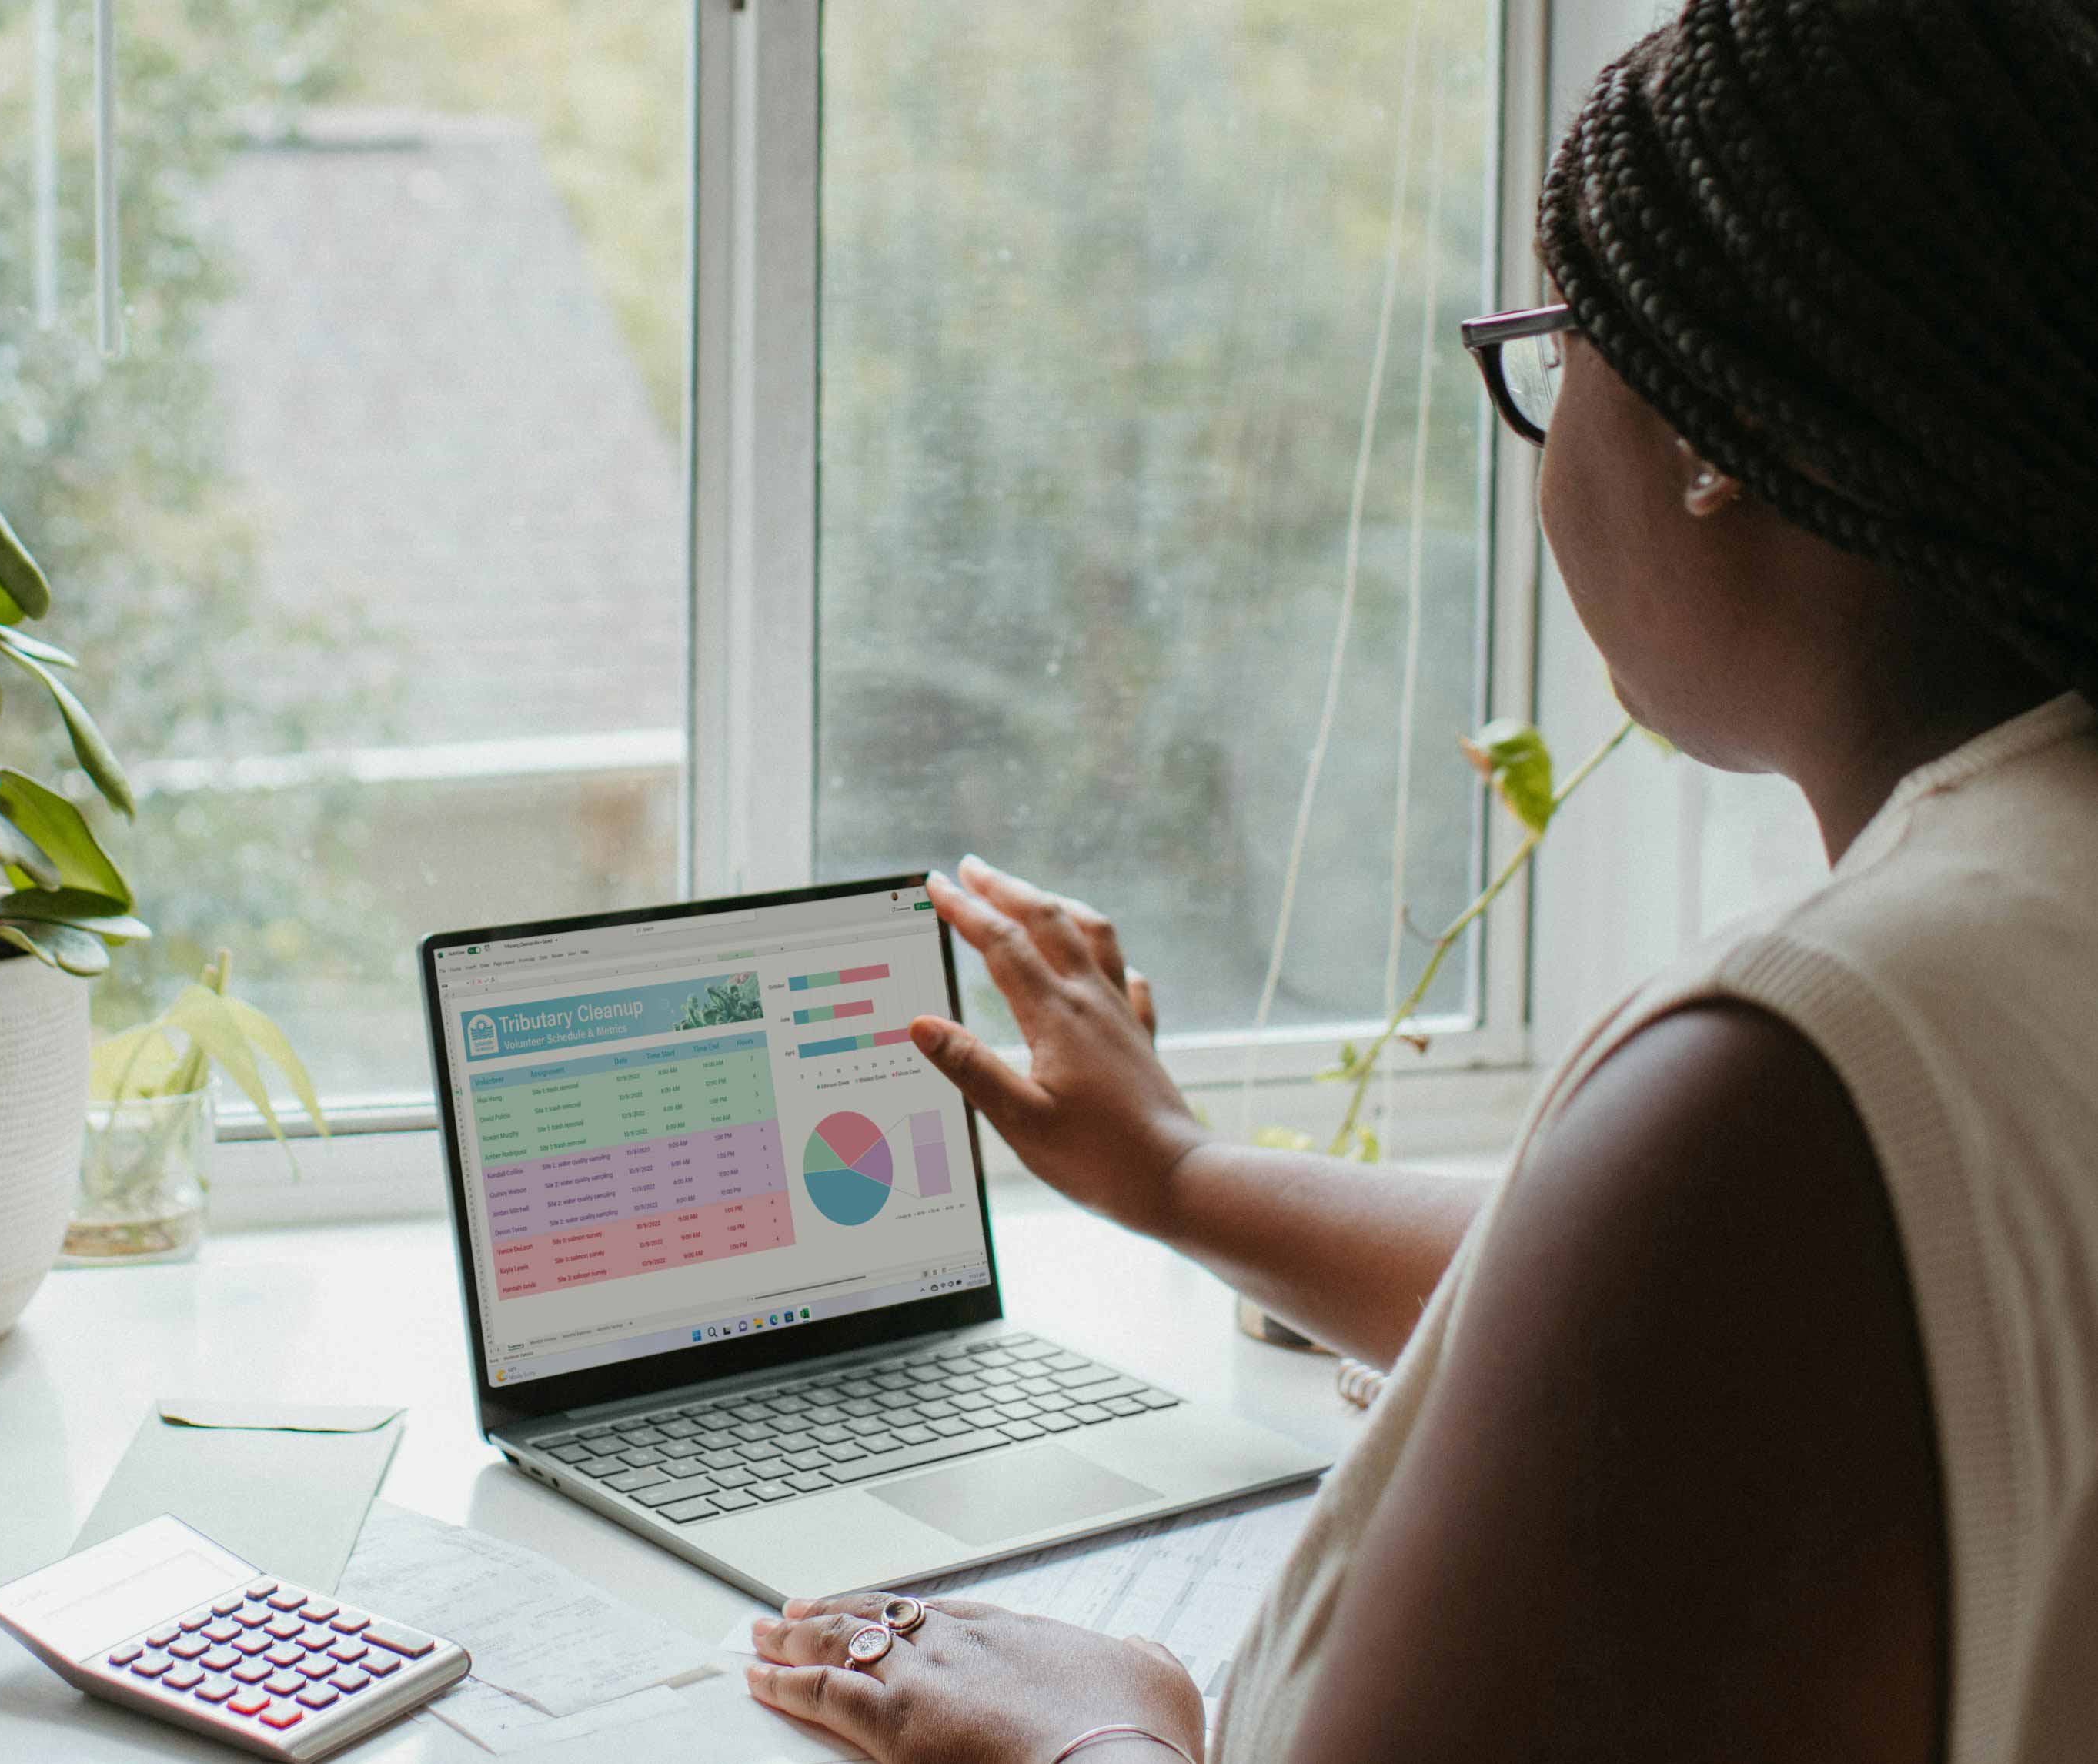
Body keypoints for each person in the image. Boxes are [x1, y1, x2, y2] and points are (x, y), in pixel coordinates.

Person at [744, 1, 2098, 1759]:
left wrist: (1095, 1733)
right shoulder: (2009, 928)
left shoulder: (1791, 1068)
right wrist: (1175, 1172)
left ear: (1707, 434)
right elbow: (1670, 1329)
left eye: (1557, 352)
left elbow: (1697, 1265)